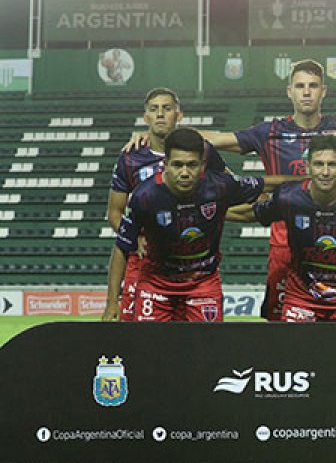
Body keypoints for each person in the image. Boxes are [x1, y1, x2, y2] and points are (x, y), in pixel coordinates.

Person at [124, 60, 336, 322]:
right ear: (289, 92)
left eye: (313, 86)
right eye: (300, 86)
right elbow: (212, 140)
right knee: (282, 327)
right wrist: (154, 138)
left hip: (334, 238)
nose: (307, 92)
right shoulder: (268, 132)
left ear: (323, 91)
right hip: (283, 245)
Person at [102, 128, 265, 322]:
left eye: (192, 165)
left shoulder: (210, 162)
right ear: (166, 164)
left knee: (203, 346)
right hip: (152, 271)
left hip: (200, 277)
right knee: (143, 342)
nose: (185, 172)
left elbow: (241, 190)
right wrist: (112, 301)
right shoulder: (141, 184)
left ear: (202, 164)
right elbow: (119, 240)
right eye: (178, 165)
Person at [239, 135, 336, 322]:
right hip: (302, 295)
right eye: (318, 164)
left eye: (332, 164)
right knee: (293, 350)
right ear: (307, 167)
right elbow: (248, 214)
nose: (325, 172)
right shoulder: (288, 197)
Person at [106, 88, 228, 321]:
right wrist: (136, 238)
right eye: (154, 109)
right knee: (139, 339)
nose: (160, 114)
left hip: (193, 263)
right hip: (145, 262)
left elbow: (226, 188)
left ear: (179, 115)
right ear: (146, 117)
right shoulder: (131, 156)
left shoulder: (203, 151)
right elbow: (114, 212)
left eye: (167, 109)